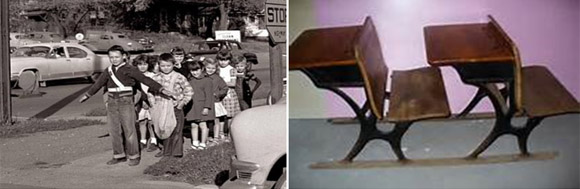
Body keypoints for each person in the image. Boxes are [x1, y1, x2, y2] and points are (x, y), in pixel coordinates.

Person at [79, 46, 171, 166]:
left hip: (126, 101)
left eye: (117, 57)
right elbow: (98, 84)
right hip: (112, 101)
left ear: (123, 56)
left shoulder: (130, 69)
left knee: (129, 130)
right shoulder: (108, 70)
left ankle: (134, 155)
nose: (114, 59)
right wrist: (87, 95)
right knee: (114, 130)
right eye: (111, 57)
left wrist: (161, 89)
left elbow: (145, 80)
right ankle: (119, 155)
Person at [150, 53, 193, 158]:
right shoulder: (155, 78)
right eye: (163, 66)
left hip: (175, 107)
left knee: (176, 130)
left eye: (168, 66)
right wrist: (152, 103)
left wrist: (182, 103)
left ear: (173, 64)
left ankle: (176, 154)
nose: (165, 68)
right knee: (163, 129)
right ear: (159, 65)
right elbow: (150, 92)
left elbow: (189, 91)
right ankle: (166, 152)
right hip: (160, 108)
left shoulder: (179, 77)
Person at [184, 59, 214, 150]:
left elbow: (209, 95)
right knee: (193, 125)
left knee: (203, 124)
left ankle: (203, 142)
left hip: (202, 106)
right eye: (192, 70)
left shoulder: (207, 80)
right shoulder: (189, 80)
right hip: (193, 106)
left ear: (202, 69)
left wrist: (206, 107)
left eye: (197, 70)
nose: (195, 72)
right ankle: (195, 142)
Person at [132, 55, 159, 152]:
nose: (142, 67)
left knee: (152, 122)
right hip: (140, 102)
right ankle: (143, 140)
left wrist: (149, 101)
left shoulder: (152, 76)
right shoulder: (135, 76)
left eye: (145, 64)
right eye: (140, 64)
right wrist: (141, 101)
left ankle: (153, 140)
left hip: (152, 101)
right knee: (142, 121)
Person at [216, 49, 240, 142]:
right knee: (220, 115)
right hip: (219, 93)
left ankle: (230, 134)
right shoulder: (217, 69)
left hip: (229, 94)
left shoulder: (232, 70)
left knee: (230, 116)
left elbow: (233, 83)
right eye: (221, 60)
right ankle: (220, 133)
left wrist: (221, 83)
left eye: (225, 60)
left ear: (229, 60)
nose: (223, 62)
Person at [203, 57, 228, 145]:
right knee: (204, 121)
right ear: (204, 67)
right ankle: (205, 137)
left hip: (215, 102)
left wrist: (217, 94)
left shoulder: (217, 78)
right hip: (204, 102)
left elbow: (225, 88)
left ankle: (216, 138)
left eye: (213, 68)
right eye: (208, 68)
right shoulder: (201, 77)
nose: (210, 70)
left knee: (216, 120)